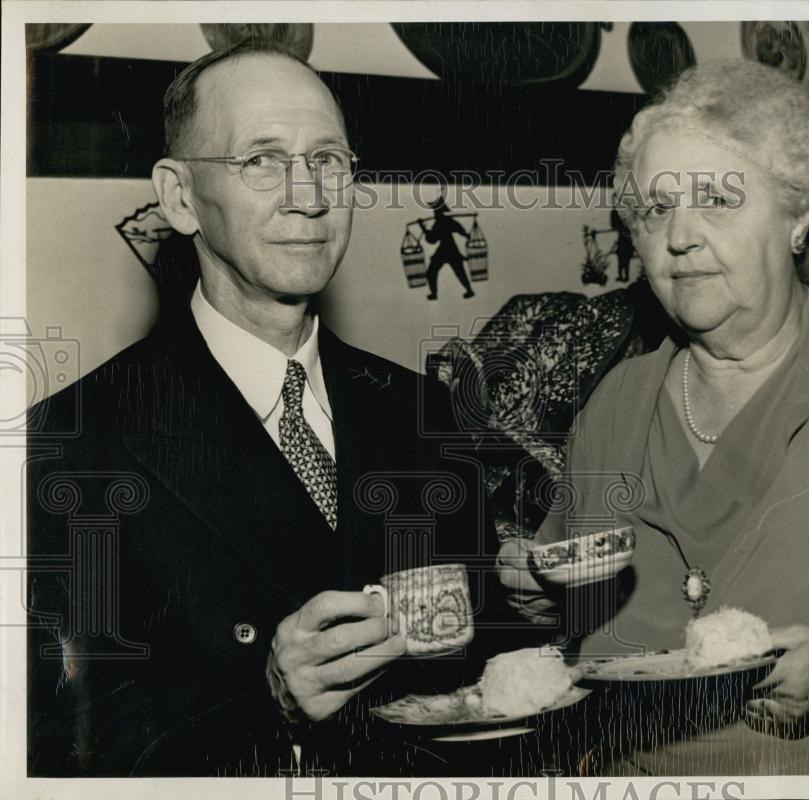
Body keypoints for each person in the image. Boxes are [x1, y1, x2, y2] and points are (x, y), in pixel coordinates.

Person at [27, 41, 500, 777]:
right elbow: (53, 740)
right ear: (180, 197)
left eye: (329, 160)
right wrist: (267, 700)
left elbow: (479, 658)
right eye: (262, 160)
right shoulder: (69, 441)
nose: (307, 194)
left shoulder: (424, 410)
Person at [498, 60, 809, 774]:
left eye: (718, 199)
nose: (679, 236)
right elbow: (576, 612)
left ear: (797, 214)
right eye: (656, 209)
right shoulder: (616, 401)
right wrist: (527, 589)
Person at [420, 197, 475, 300]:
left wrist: (424, 229)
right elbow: (457, 229)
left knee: (435, 271)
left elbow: (432, 239)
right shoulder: (444, 222)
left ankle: (434, 293)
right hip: (448, 250)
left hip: (447, 250)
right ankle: (468, 290)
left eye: (435, 210)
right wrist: (424, 229)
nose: (434, 213)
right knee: (458, 272)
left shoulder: (441, 223)